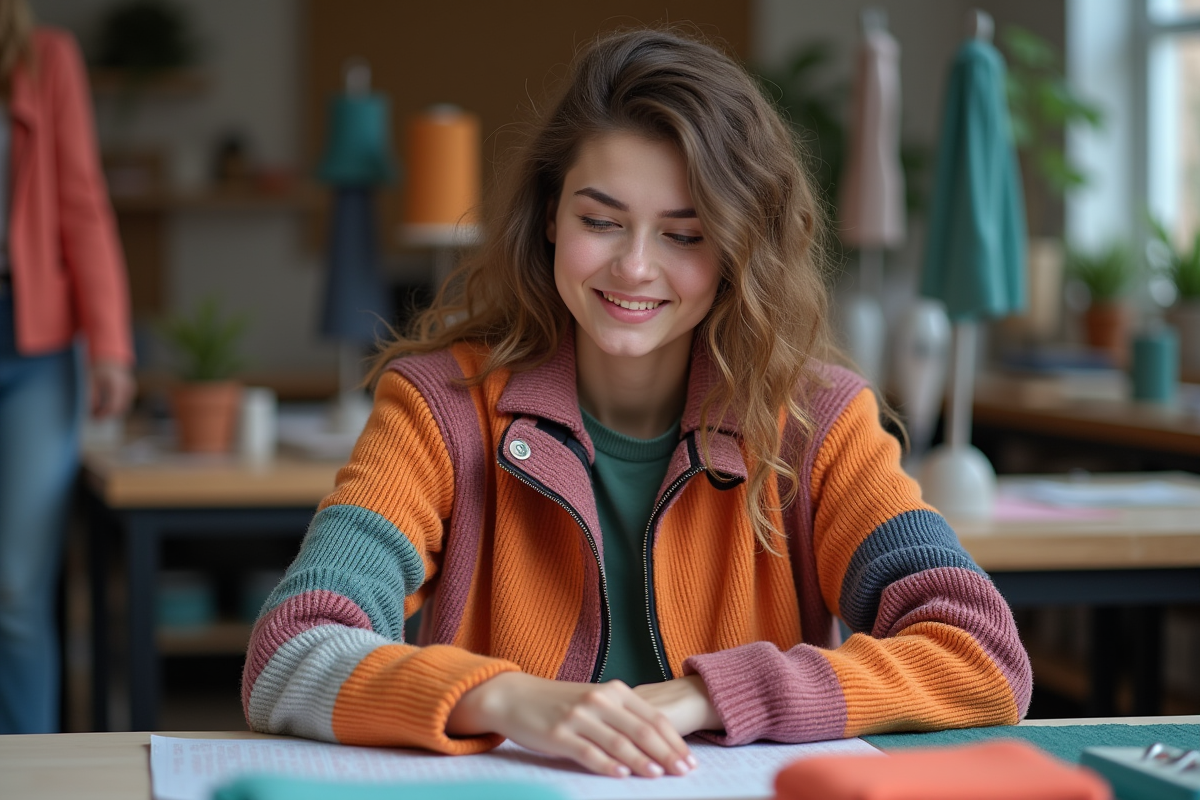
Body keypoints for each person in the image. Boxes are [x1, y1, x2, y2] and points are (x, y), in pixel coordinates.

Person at [242, 28, 1030, 778]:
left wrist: (710, 695)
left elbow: (980, 651)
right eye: (601, 221)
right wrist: (506, 698)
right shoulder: (439, 410)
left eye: (684, 235)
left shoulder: (815, 425)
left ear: (737, 249)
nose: (635, 268)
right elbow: (291, 648)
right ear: (549, 217)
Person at [0, 0, 135, 734]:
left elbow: (81, 202)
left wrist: (110, 346)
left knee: (16, 589)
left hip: (34, 344)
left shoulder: (44, 58)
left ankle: (26, 771)